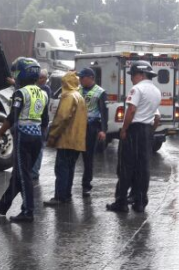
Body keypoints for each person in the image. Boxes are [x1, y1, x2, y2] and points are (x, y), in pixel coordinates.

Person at [0, 58, 48, 222]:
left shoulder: (20, 93)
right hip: (37, 136)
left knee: (24, 176)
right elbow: (44, 120)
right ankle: (4, 204)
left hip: (23, 135)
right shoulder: (43, 93)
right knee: (19, 174)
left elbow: (12, 117)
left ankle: (28, 211)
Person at [107, 61, 161, 213]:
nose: (131, 79)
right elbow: (157, 118)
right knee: (143, 168)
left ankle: (121, 202)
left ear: (141, 74)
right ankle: (140, 202)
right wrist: (150, 132)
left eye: (133, 75)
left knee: (125, 167)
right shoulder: (156, 91)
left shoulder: (137, 89)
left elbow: (131, 110)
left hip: (134, 130)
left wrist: (124, 129)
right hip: (147, 131)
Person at [44, 71, 86, 206]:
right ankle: (66, 195)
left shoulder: (68, 96)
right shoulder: (79, 96)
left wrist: (52, 135)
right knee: (70, 168)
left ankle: (59, 196)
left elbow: (62, 118)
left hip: (66, 140)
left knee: (61, 169)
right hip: (77, 141)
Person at [77, 67, 107, 196]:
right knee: (73, 156)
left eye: (82, 78)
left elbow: (104, 112)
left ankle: (86, 185)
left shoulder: (99, 92)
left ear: (90, 78)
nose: (80, 80)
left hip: (91, 126)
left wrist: (103, 130)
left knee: (88, 158)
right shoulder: (78, 90)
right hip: (77, 126)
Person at [31, 70, 51, 182]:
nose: (43, 80)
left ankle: (34, 172)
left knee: (39, 148)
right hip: (39, 122)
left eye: (44, 78)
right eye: (41, 78)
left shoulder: (45, 89)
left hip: (42, 123)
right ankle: (32, 170)